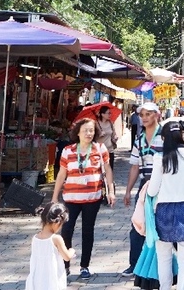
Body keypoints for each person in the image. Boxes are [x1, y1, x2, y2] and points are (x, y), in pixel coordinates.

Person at [52, 117, 116, 281]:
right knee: (67, 230)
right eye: (86, 130)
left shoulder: (100, 149)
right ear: (78, 132)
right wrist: (54, 196)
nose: (89, 133)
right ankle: (65, 265)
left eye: (92, 130)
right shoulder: (68, 150)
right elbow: (61, 174)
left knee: (88, 231)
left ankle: (84, 266)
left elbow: (107, 170)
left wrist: (111, 190)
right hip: (71, 198)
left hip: (92, 198)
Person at [148, 118, 184, 290]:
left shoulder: (161, 159)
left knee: (164, 257)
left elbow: (152, 191)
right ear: (181, 135)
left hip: (164, 210)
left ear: (164, 138)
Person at [122, 101, 163, 278]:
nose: (144, 118)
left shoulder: (165, 135)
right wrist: (128, 190)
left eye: (148, 114)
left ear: (156, 115)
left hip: (163, 185)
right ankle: (135, 264)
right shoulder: (138, 139)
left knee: (163, 223)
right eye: (142, 115)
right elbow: (134, 166)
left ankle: (165, 263)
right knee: (138, 224)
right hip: (145, 184)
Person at [25, 202, 74, 290]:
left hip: (38, 280)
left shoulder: (35, 238)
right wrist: (71, 251)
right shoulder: (56, 239)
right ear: (57, 222)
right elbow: (66, 257)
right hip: (52, 279)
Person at [96, 105, 119, 171]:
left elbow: (114, 134)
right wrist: (99, 134)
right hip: (99, 151)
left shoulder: (110, 123)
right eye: (108, 113)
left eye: (110, 113)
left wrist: (115, 137)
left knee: (109, 170)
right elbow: (92, 137)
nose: (110, 115)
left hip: (109, 150)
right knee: (99, 170)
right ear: (102, 114)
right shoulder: (96, 123)